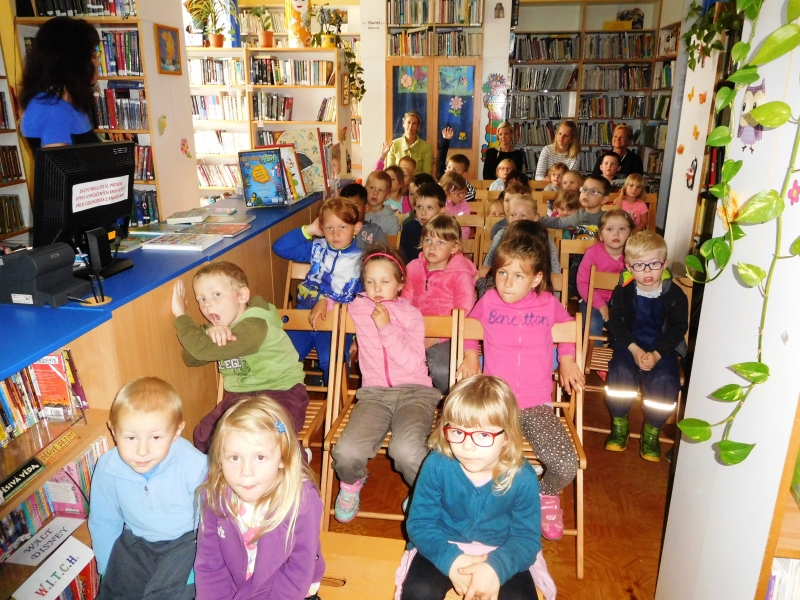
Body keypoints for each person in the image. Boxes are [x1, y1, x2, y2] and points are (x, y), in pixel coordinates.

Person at [456, 236, 584, 540]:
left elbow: (569, 330)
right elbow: (468, 330)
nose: (506, 282)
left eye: (518, 276)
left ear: (536, 279)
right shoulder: (488, 301)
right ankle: (459, 500)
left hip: (536, 404)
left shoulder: (547, 303)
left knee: (566, 464)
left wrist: (567, 359)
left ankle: (545, 493)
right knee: (465, 455)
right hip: (495, 405)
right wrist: (471, 355)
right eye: (502, 273)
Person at [397, 376, 545, 600]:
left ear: (507, 437)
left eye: (483, 435)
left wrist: (496, 568)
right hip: (442, 542)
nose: (467, 446)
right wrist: (452, 560)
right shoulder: (436, 465)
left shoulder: (522, 477)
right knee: (419, 592)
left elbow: (526, 538)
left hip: (503, 548)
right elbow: (420, 524)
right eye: (457, 432)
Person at [331, 245, 441, 522]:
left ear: (400, 283)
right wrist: (325, 302)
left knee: (406, 451)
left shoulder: (411, 315)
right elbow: (336, 302)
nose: (377, 288)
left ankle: (424, 492)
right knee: (346, 452)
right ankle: (352, 483)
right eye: (370, 282)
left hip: (415, 394)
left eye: (385, 281)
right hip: (374, 395)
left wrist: (385, 327)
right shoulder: (358, 307)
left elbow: (412, 363)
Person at [194, 397, 325, 600]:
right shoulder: (214, 494)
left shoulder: (302, 500)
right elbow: (210, 565)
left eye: (260, 457)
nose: (246, 472)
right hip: (238, 587)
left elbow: (299, 570)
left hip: (289, 590)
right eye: (234, 458)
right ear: (220, 458)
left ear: (283, 458)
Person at [89, 377, 207, 600]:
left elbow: (209, 520)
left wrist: (201, 563)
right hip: (136, 541)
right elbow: (104, 520)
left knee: (168, 593)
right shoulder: (107, 467)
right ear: (113, 430)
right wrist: (108, 569)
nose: (142, 450)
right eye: (131, 437)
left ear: (176, 431)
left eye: (155, 437)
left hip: (186, 541)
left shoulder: (195, 465)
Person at [171, 261, 308, 453]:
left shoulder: (254, 327)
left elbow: (202, 351)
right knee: (206, 436)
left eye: (216, 295)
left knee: (266, 437)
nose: (207, 304)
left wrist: (181, 317)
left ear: (242, 295)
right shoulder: (225, 327)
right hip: (242, 396)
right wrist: (208, 332)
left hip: (282, 391)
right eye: (201, 299)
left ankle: (297, 465)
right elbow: (192, 357)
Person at [605, 231, 688, 462]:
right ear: (629, 267)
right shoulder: (623, 290)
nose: (648, 271)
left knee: (665, 380)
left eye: (654, 264)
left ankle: (652, 428)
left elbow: (678, 328)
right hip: (629, 344)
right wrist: (635, 349)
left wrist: (657, 354)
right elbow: (616, 323)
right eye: (640, 265)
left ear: (665, 263)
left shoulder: (675, 294)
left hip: (662, 348)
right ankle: (619, 422)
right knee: (620, 373)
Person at [272, 197, 363, 384]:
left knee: (333, 361)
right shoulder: (317, 248)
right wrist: (310, 230)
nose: (335, 234)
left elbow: (364, 300)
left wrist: (358, 336)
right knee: (281, 360)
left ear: (356, 228)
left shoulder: (363, 261)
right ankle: (282, 398)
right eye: (329, 227)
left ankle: (335, 400)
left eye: (343, 227)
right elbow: (280, 247)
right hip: (303, 316)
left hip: (337, 321)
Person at [402, 215, 477, 393]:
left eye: (441, 242)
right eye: (428, 240)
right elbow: (404, 304)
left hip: (447, 336)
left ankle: (453, 401)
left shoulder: (460, 273)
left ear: (454, 247)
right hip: (414, 332)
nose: (432, 247)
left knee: (444, 369)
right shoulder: (413, 268)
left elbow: (464, 312)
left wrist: (436, 338)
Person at [20, 17, 102, 150]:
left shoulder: (66, 104)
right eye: (92, 54)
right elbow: (59, 162)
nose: (98, 62)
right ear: (74, 60)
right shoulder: (51, 109)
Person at [577, 210, 634, 344]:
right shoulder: (592, 253)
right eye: (609, 229)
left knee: (633, 322)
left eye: (622, 229)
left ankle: (624, 351)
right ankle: (594, 351)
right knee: (592, 323)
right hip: (594, 300)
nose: (616, 233)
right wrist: (600, 305)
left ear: (630, 234)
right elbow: (583, 283)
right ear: (601, 235)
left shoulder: (633, 255)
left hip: (622, 303)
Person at [479, 195, 560, 279]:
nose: (517, 219)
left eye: (523, 215)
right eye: (513, 215)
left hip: (535, 282)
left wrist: (555, 283)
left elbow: (554, 268)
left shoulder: (543, 236)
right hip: (504, 280)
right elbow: (488, 264)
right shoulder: (501, 234)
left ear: (535, 217)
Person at [538, 173, 610, 239]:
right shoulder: (578, 215)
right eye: (585, 189)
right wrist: (535, 218)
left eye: (593, 191)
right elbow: (558, 222)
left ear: (604, 199)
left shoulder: (608, 218)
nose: (586, 193)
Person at [400, 181, 446, 262]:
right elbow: (404, 260)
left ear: (441, 210)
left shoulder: (447, 230)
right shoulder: (409, 229)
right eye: (420, 207)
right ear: (415, 207)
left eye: (430, 208)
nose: (423, 213)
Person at [341, 182, 388, 249]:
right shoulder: (337, 229)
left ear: (366, 208)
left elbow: (383, 254)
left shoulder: (375, 231)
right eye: (346, 206)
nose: (350, 210)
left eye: (355, 206)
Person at [436, 129, 476, 201]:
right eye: (449, 167)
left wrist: (455, 198)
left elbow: (472, 194)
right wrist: (446, 140)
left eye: (455, 169)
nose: (450, 171)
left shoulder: (464, 183)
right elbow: (440, 160)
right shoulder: (443, 178)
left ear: (464, 174)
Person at [365, 170, 401, 235]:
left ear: (387, 196)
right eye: (372, 188)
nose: (375, 193)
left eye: (381, 190)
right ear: (365, 188)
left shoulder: (391, 221)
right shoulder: (359, 213)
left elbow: (392, 241)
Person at [439, 170, 470, 239]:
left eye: (464, 193)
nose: (462, 196)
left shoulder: (464, 205)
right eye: (458, 194)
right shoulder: (441, 205)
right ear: (447, 192)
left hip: (460, 239)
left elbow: (465, 228)